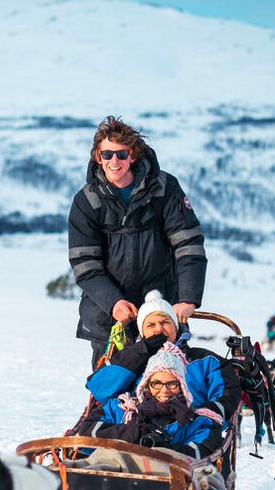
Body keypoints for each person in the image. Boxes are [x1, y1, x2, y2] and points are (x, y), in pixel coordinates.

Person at [68, 115, 208, 370]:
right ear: (97, 157)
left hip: (161, 308)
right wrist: (113, 302)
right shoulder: (87, 201)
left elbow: (188, 246)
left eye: (122, 154)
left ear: (133, 155)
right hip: (109, 316)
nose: (114, 161)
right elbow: (85, 264)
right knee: (112, 387)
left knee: (166, 383)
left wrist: (188, 297)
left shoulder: (164, 188)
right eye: (107, 154)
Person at [74, 290, 241, 434]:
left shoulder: (205, 361)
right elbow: (100, 389)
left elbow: (225, 397)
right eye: (150, 325)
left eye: (165, 322)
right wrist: (141, 350)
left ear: (176, 326)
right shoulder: (132, 359)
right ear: (142, 331)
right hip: (134, 434)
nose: (158, 329)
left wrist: (195, 422)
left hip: (187, 435)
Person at [85, 343, 224, 459]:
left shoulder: (195, 421)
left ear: (182, 386)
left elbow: (201, 454)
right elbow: (86, 433)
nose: (164, 391)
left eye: (172, 383)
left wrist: (163, 447)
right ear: (146, 384)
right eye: (156, 383)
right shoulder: (123, 409)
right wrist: (135, 433)